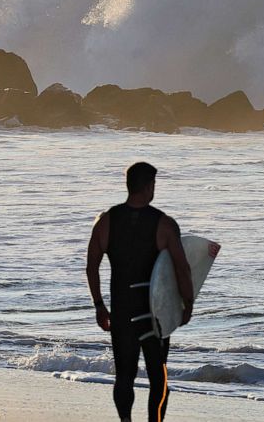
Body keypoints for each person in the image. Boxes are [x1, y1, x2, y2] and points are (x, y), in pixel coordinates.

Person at [86, 162, 195, 422]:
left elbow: (91, 265)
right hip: (154, 314)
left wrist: (99, 305)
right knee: (159, 376)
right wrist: (187, 304)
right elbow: (182, 269)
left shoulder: (106, 221)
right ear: (149, 187)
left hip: (122, 311)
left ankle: (125, 421)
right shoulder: (164, 224)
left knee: (124, 375)